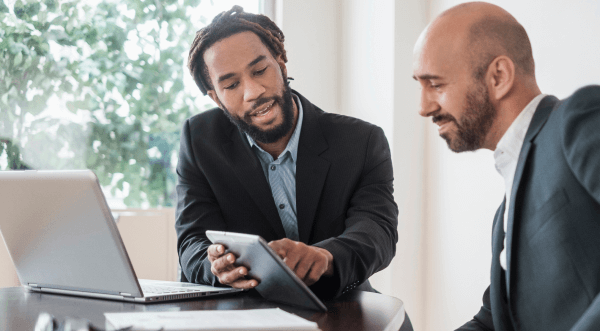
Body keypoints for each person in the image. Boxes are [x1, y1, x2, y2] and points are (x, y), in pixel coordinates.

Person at [176, 5, 399, 303]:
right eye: (231, 84)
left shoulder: (361, 141)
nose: (253, 91)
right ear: (216, 97)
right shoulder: (199, 140)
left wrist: (326, 257)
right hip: (243, 310)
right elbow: (191, 241)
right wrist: (214, 266)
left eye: (260, 70)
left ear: (280, 63)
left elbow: (377, 231)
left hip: (337, 305)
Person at [413, 2, 600, 330]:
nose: (424, 107)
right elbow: (492, 322)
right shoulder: (504, 214)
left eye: (436, 84)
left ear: (499, 76)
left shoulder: (577, 120)